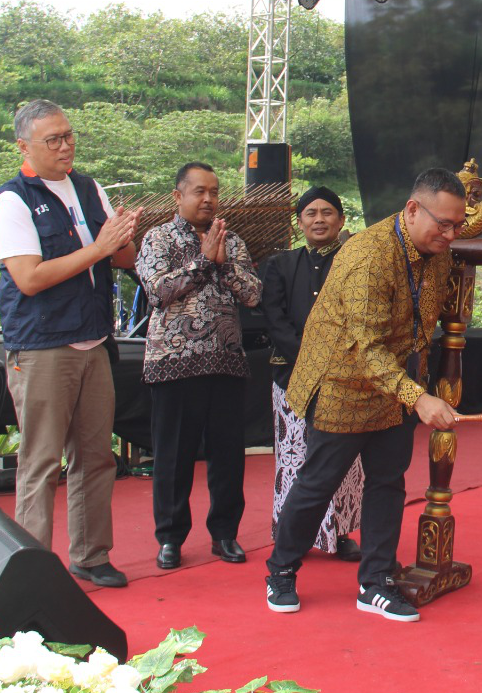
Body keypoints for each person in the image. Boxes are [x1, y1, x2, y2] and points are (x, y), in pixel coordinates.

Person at [264, 169, 464, 622]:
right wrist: (419, 397)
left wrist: (411, 390)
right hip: (343, 382)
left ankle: (375, 582)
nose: (451, 235)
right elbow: (364, 346)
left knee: (388, 482)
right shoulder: (368, 257)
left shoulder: (434, 250)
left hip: (394, 387)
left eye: (459, 226)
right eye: (444, 224)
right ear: (412, 210)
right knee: (319, 482)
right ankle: (281, 569)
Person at [0, 100, 142, 588]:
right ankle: (33, 569)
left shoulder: (89, 188)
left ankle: (91, 555)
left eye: (69, 135)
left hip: (94, 340)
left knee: (96, 456)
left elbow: (122, 259)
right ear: (24, 146)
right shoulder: (12, 200)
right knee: (41, 461)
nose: (65, 145)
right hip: (42, 346)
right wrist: (97, 247)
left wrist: (121, 238)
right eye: (52, 139)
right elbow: (30, 278)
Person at [135, 162, 263, 570]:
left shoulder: (232, 239)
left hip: (225, 362)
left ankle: (225, 534)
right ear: (178, 196)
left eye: (214, 191)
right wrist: (203, 262)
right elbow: (158, 291)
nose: (207, 199)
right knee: (173, 456)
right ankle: (170, 538)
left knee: (228, 456)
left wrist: (223, 263)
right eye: (198, 192)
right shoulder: (157, 238)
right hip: (173, 365)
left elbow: (254, 294)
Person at [261, 186, 363, 562]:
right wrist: (310, 361)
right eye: (310, 213)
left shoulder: (357, 261)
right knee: (294, 458)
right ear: (299, 221)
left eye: (327, 212)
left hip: (346, 378)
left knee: (344, 461)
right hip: (292, 377)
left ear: (341, 220)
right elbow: (275, 319)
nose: (319, 219)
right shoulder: (280, 265)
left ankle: (339, 535)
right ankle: (292, 538)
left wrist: (335, 363)